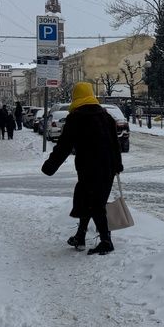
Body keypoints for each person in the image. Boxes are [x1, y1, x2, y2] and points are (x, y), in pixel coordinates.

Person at [41, 82, 124, 255]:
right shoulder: (106, 116)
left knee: (95, 204)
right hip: (107, 167)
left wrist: (50, 166)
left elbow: (64, 146)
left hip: (89, 167)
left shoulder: (76, 117)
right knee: (89, 201)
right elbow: (115, 143)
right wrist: (117, 165)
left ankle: (106, 241)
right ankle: (80, 236)